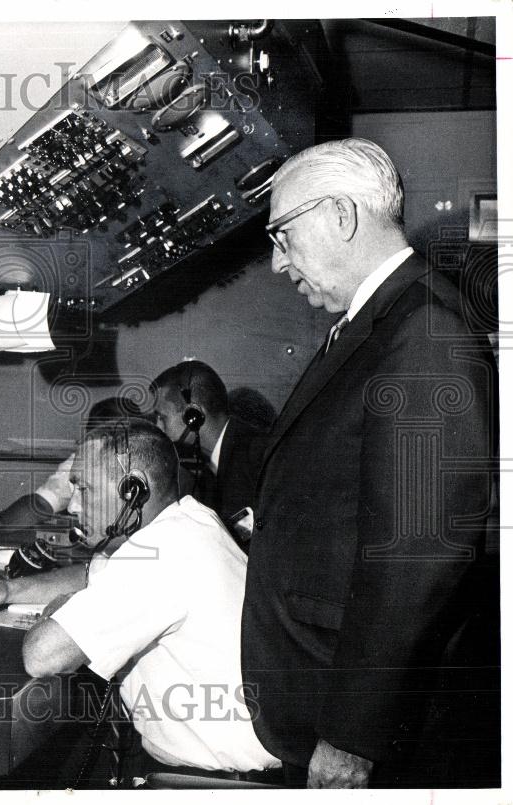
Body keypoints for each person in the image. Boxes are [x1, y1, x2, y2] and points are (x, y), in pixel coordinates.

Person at [243, 137, 498, 788]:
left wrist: (353, 735)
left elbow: (417, 554)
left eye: (282, 234)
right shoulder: (376, 325)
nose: (277, 263)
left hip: (355, 728)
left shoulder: (422, 335)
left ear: (340, 215)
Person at [0, 420, 281, 778]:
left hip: (210, 784)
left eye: (84, 488)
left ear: (133, 489)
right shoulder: (191, 520)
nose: (72, 506)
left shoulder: (162, 550)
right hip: (227, 767)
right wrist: (9, 590)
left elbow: (42, 656)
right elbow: (95, 574)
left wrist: (59, 608)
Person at [0, 396, 149, 533]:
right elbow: (41, 502)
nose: (100, 449)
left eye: (110, 439)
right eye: (93, 439)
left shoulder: (152, 465)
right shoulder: (81, 461)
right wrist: (0, 522)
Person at [149, 361, 267, 536]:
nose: (157, 426)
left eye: (161, 416)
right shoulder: (209, 469)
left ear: (193, 415)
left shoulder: (258, 456)